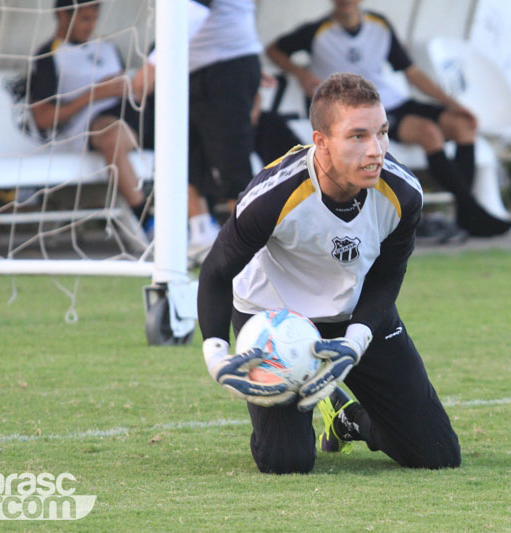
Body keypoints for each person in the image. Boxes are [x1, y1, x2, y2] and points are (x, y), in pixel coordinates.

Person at [197, 73, 461, 474]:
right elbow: (216, 272)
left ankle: (347, 419)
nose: (376, 150)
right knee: (286, 462)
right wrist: (215, 352)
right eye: (357, 136)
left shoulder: (403, 193)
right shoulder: (273, 195)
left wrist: (356, 340)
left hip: (356, 315)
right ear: (321, 142)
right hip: (277, 320)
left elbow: (388, 275)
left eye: (382, 132)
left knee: (437, 454)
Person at [265, 0, 511, 238]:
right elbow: (273, 50)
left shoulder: (379, 25)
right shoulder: (315, 32)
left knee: (462, 125)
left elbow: (412, 72)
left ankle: (466, 210)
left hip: (393, 100)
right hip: (364, 112)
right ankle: (472, 213)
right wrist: (301, 73)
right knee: (429, 132)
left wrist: (453, 105)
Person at [133, 0, 261, 264]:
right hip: (191, 67)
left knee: (231, 163)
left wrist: (153, 63)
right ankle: (202, 236)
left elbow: (195, 8)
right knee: (181, 153)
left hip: (226, 65)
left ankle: (252, 251)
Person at [28, 0, 153, 232]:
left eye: (94, 19)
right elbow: (42, 118)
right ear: (63, 16)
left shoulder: (108, 48)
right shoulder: (49, 56)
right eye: (85, 19)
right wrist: (94, 94)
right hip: (92, 125)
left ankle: (199, 218)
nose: (91, 26)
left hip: (134, 114)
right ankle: (146, 219)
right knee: (112, 135)